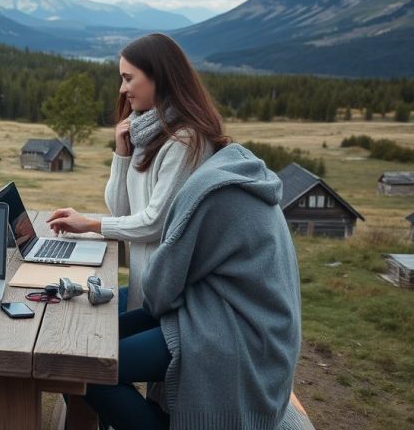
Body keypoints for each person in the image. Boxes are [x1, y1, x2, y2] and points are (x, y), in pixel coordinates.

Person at [82, 143, 310, 430]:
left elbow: (161, 290)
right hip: (249, 325)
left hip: (231, 336)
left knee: (90, 368)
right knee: (98, 334)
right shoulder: (233, 172)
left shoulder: (208, 190)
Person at [47, 33, 228, 312]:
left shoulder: (186, 141)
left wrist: (92, 225)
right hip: (146, 290)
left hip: (175, 304)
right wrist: (122, 154)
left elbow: (155, 224)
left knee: (89, 337)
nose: (122, 89)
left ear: (160, 77)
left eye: (128, 78)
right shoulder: (146, 131)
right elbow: (121, 210)